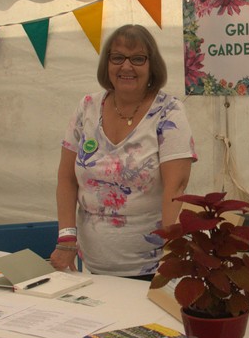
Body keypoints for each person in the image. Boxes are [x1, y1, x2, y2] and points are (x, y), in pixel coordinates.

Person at [52, 24, 196, 279]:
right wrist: (66, 239)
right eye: (117, 57)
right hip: (91, 268)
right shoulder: (86, 107)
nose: (126, 66)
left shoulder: (169, 112)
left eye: (138, 59)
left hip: (151, 269)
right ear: (107, 64)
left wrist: (172, 256)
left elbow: (176, 191)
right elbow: (66, 178)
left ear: (152, 65)